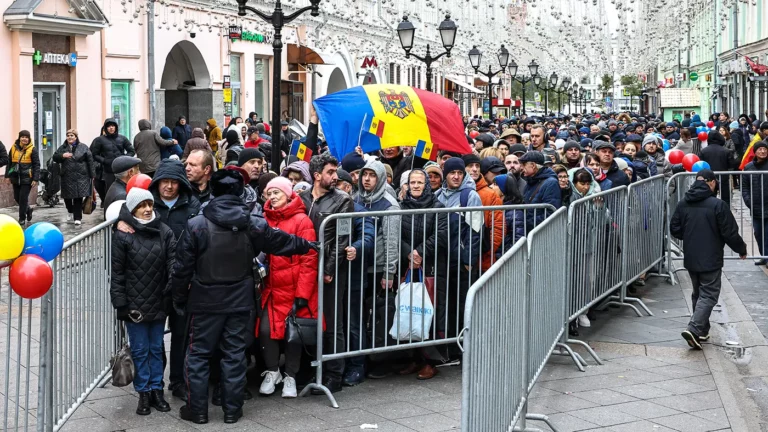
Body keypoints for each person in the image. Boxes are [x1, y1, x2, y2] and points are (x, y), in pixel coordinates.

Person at [172, 169, 317, 424]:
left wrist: (179, 298)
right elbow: (280, 242)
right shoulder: (251, 223)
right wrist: (308, 245)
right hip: (240, 299)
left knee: (198, 355)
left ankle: (197, 410)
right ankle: (232, 409)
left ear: (214, 192)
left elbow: (182, 268)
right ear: (240, 192)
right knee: (234, 354)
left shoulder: (197, 225)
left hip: (205, 299)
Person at [110, 188, 176, 416]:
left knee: (157, 348)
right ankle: (144, 392)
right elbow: (117, 272)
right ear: (132, 208)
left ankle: (157, 389)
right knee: (140, 350)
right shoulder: (122, 234)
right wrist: (121, 304)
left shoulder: (164, 231)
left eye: (150, 204)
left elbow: (172, 262)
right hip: (134, 304)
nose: (148, 209)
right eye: (142, 206)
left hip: (159, 300)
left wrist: (169, 291)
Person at [670, 169, 747, 349]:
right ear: (712, 182)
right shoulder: (717, 205)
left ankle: (702, 330)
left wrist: (689, 235)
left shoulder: (683, 203)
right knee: (709, 294)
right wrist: (741, 249)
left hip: (691, 255)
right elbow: (730, 232)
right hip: (710, 256)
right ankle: (694, 328)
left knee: (698, 293)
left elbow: (675, 228)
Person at [299, 153, 355, 393]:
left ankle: (334, 373)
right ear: (316, 175)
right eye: (330, 172)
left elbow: (343, 238)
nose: (335, 177)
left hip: (330, 267)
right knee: (307, 317)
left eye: (336, 172)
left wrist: (330, 269)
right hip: (304, 267)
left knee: (333, 321)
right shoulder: (300, 197)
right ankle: (310, 367)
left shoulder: (342, 200)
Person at [258, 176, 318, 398]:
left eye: (277, 193)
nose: (272, 197)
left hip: (294, 288)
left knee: (293, 334)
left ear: (288, 194)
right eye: (269, 193)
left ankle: (291, 375)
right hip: (271, 288)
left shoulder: (302, 221)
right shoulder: (264, 218)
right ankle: (273, 372)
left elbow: (309, 259)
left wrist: (302, 293)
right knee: (266, 331)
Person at [396, 169, 448, 380]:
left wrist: (420, 253)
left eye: (420, 182)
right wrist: (409, 253)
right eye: (412, 182)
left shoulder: (438, 207)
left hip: (431, 267)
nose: (416, 186)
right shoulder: (401, 207)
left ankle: (430, 361)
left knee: (429, 311)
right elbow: (396, 234)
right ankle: (415, 358)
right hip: (409, 265)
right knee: (410, 310)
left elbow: (441, 234)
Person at [53, 129, 94, 226]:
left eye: (72, 135)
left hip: (81, 176)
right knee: (67, 198)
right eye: (68, 135)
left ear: (76, 137)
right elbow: (55, 157)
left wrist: (92, 175)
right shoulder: (63, 148)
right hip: (67, 176)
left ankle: (77, 218)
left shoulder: (83, 147)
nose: (70, 137)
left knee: (78, 198)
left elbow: (90, 161)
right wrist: (63, 155)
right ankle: (70, 210)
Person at [5, 130, 40, 226]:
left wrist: (35, 179)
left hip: (27, 178)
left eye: (26, 137)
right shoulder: (13, 148)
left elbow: (36, 165)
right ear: (19, 138)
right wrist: (7, 176)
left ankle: (22, 218)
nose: (24, 139)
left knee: (23, 198)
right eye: (22, 137)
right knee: (17, 197)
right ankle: (28, 209)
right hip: (15, 177)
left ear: (29, 138)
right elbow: (9, 163)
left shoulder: (33, 149)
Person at [520, 151, 562, 230]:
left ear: (533, 165)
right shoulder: (531, 181)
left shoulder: (551, 183)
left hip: (542, 233)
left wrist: (527, 223)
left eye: (524, 165)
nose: (521, 168)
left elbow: (551, 213)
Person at [742, 141, 768, 266]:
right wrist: (748, 201)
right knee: (758, 233)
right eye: (760, 149)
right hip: (756, 207)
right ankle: (763, 255)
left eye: (765, 149)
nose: (762, 151)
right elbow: (745, 188)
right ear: (755, 152)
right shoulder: (748, 168)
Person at [91, 118, 135, 193]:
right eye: (108, 126)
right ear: (105, 128)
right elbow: (94, 154)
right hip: (108, 170)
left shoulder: (123, 138)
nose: (111, 128)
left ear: (116, 127)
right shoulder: (99, 140)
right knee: (109, 190)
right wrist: (104, 160)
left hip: (121, 169)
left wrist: (124, 159)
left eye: (113, 126)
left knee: (123, 189)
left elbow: (132, 151)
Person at [700, 130, 735, 207]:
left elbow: (701, 165)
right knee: (726, 199)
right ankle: (725, 214)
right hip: (724, 177)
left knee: (709, 198)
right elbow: (731, 165)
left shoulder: (703, 151)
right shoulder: (726, 151)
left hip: (709, 178)